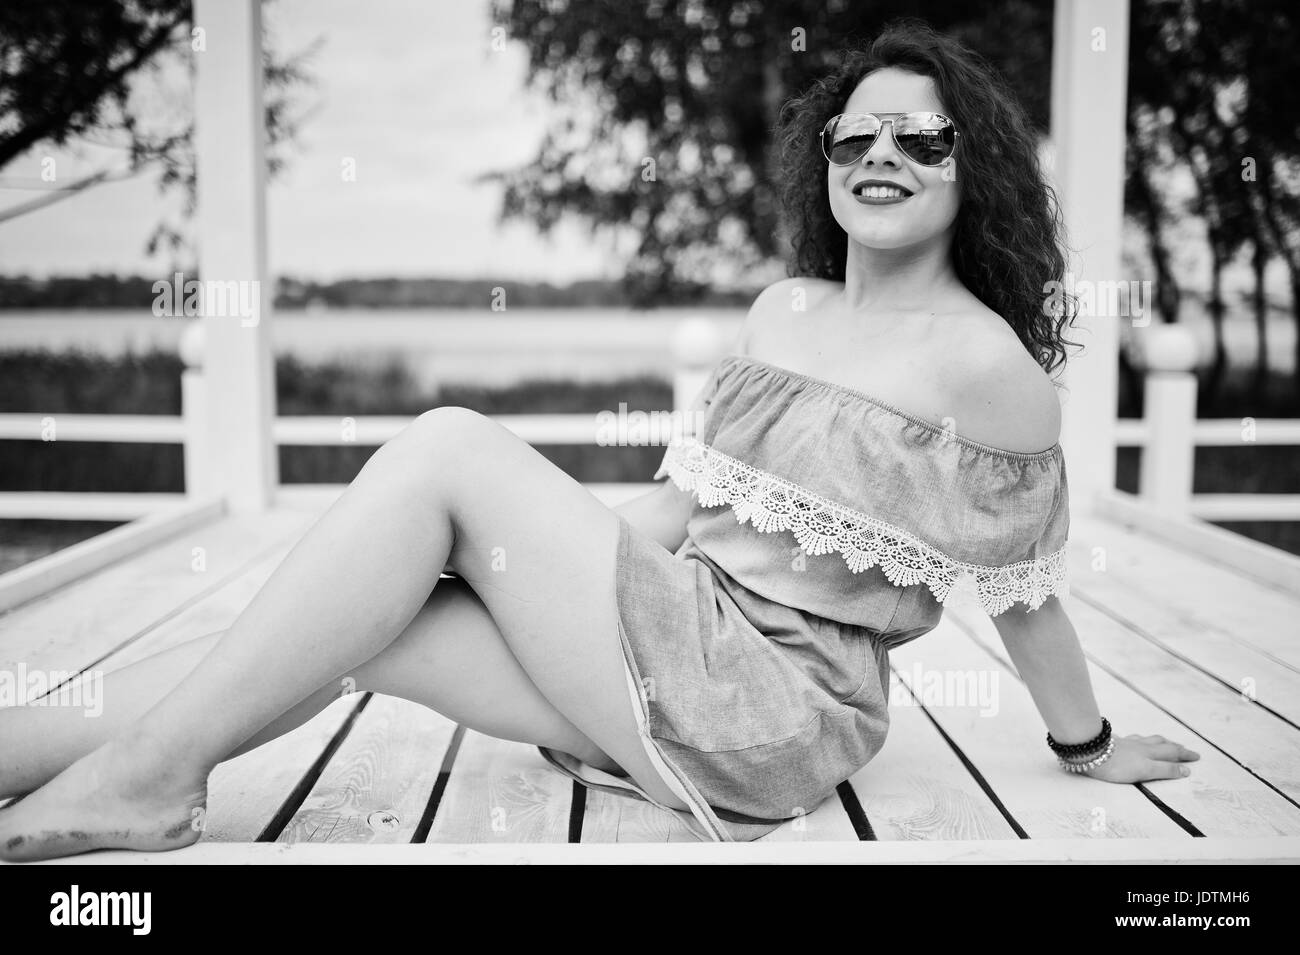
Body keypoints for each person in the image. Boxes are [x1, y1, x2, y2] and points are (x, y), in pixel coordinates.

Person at [0, 20, 1199, 860]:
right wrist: (494, 567)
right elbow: (686, 516)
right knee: (364, 624)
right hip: (670, 641)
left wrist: (1086, 746)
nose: (879, 156)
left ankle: (150, 778)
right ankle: (71, 765)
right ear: (822, 163)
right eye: (852, 137)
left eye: (919, 140)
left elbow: (1025, 597)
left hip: (771, 709)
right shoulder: (784, 310)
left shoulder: (988, 368)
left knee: (449, 444)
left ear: (968, 169)